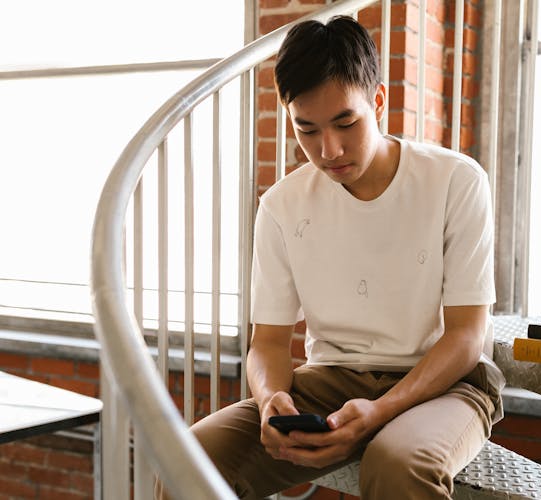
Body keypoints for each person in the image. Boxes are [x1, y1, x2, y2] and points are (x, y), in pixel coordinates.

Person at [160, 15, 504, 500]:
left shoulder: (455, 182)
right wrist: (269, 401)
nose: (329, 149)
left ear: (378, 101)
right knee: (187, 459)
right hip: (331, 380)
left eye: (346, 122)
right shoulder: (282, 206)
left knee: (397, 463)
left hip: (445, 383)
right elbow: (270, 344)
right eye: (307, 129)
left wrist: (379, 413)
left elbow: (467, 336)